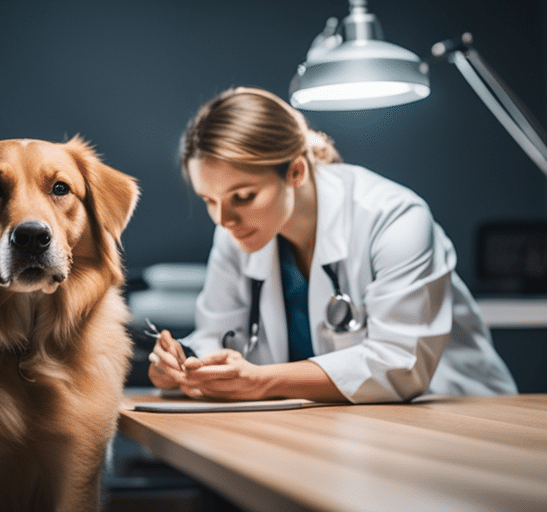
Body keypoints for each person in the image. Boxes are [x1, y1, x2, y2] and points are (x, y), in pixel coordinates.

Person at [147, 86, 517, 403]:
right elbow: (217, 333)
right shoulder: (236, 234)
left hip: (460, 416)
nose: (224, 219)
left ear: (295, 171)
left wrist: (261, 381)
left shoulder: (395, 218)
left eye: (243, 196)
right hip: (336, 427)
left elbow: (400, 363)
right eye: (209, 200)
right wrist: (184, 364)